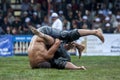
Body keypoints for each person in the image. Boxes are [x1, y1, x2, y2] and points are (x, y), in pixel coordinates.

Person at [28, 25, 104, 70]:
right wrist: (77, 68)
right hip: (41, 37)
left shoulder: (46, 55)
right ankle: (78, 46)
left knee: (66, 35)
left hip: (45, 32)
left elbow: (54, 41)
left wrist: (42, 35)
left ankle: (95, 32)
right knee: (59, 56)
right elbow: (57, 47)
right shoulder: (34, 64)